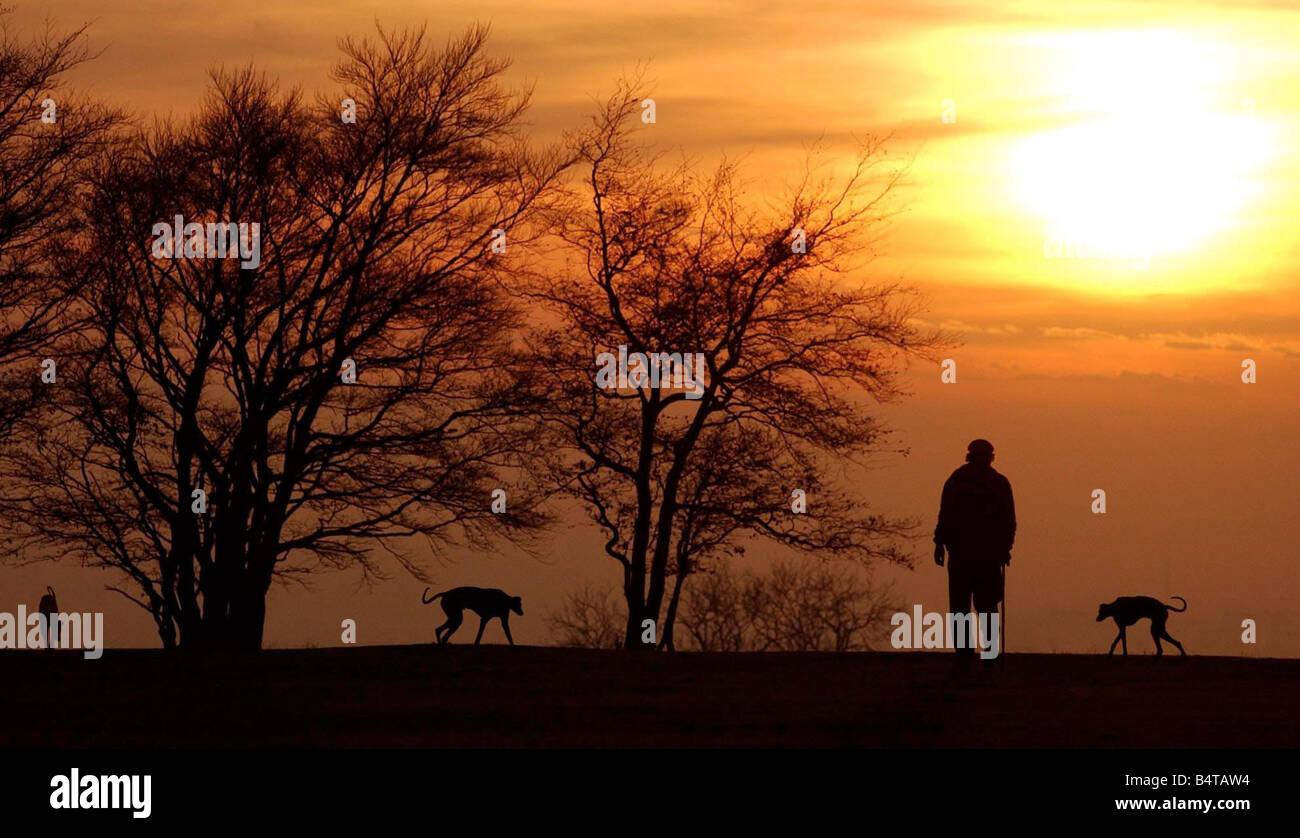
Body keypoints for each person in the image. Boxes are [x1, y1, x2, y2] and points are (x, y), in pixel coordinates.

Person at [933, 439, 1015, 664]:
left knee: (964, 605)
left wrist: (939, 543)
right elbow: (1009, 522)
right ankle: (986, 652)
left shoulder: (958, 480)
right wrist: (1005, 548)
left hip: (966, 553)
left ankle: (966, 654)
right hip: (982, 554)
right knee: (985, 605)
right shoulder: (997, 483)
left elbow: (945, 515)